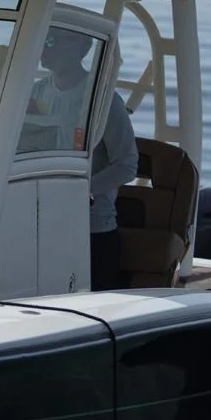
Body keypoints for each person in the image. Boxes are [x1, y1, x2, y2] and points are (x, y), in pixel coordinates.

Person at [88, 86, 138, 291]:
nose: (46, 51)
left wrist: (76, 190)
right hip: (40, 225)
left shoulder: (105, 102)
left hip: (92, 232)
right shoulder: (40, 91)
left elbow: (127, 166)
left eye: (53, 49)